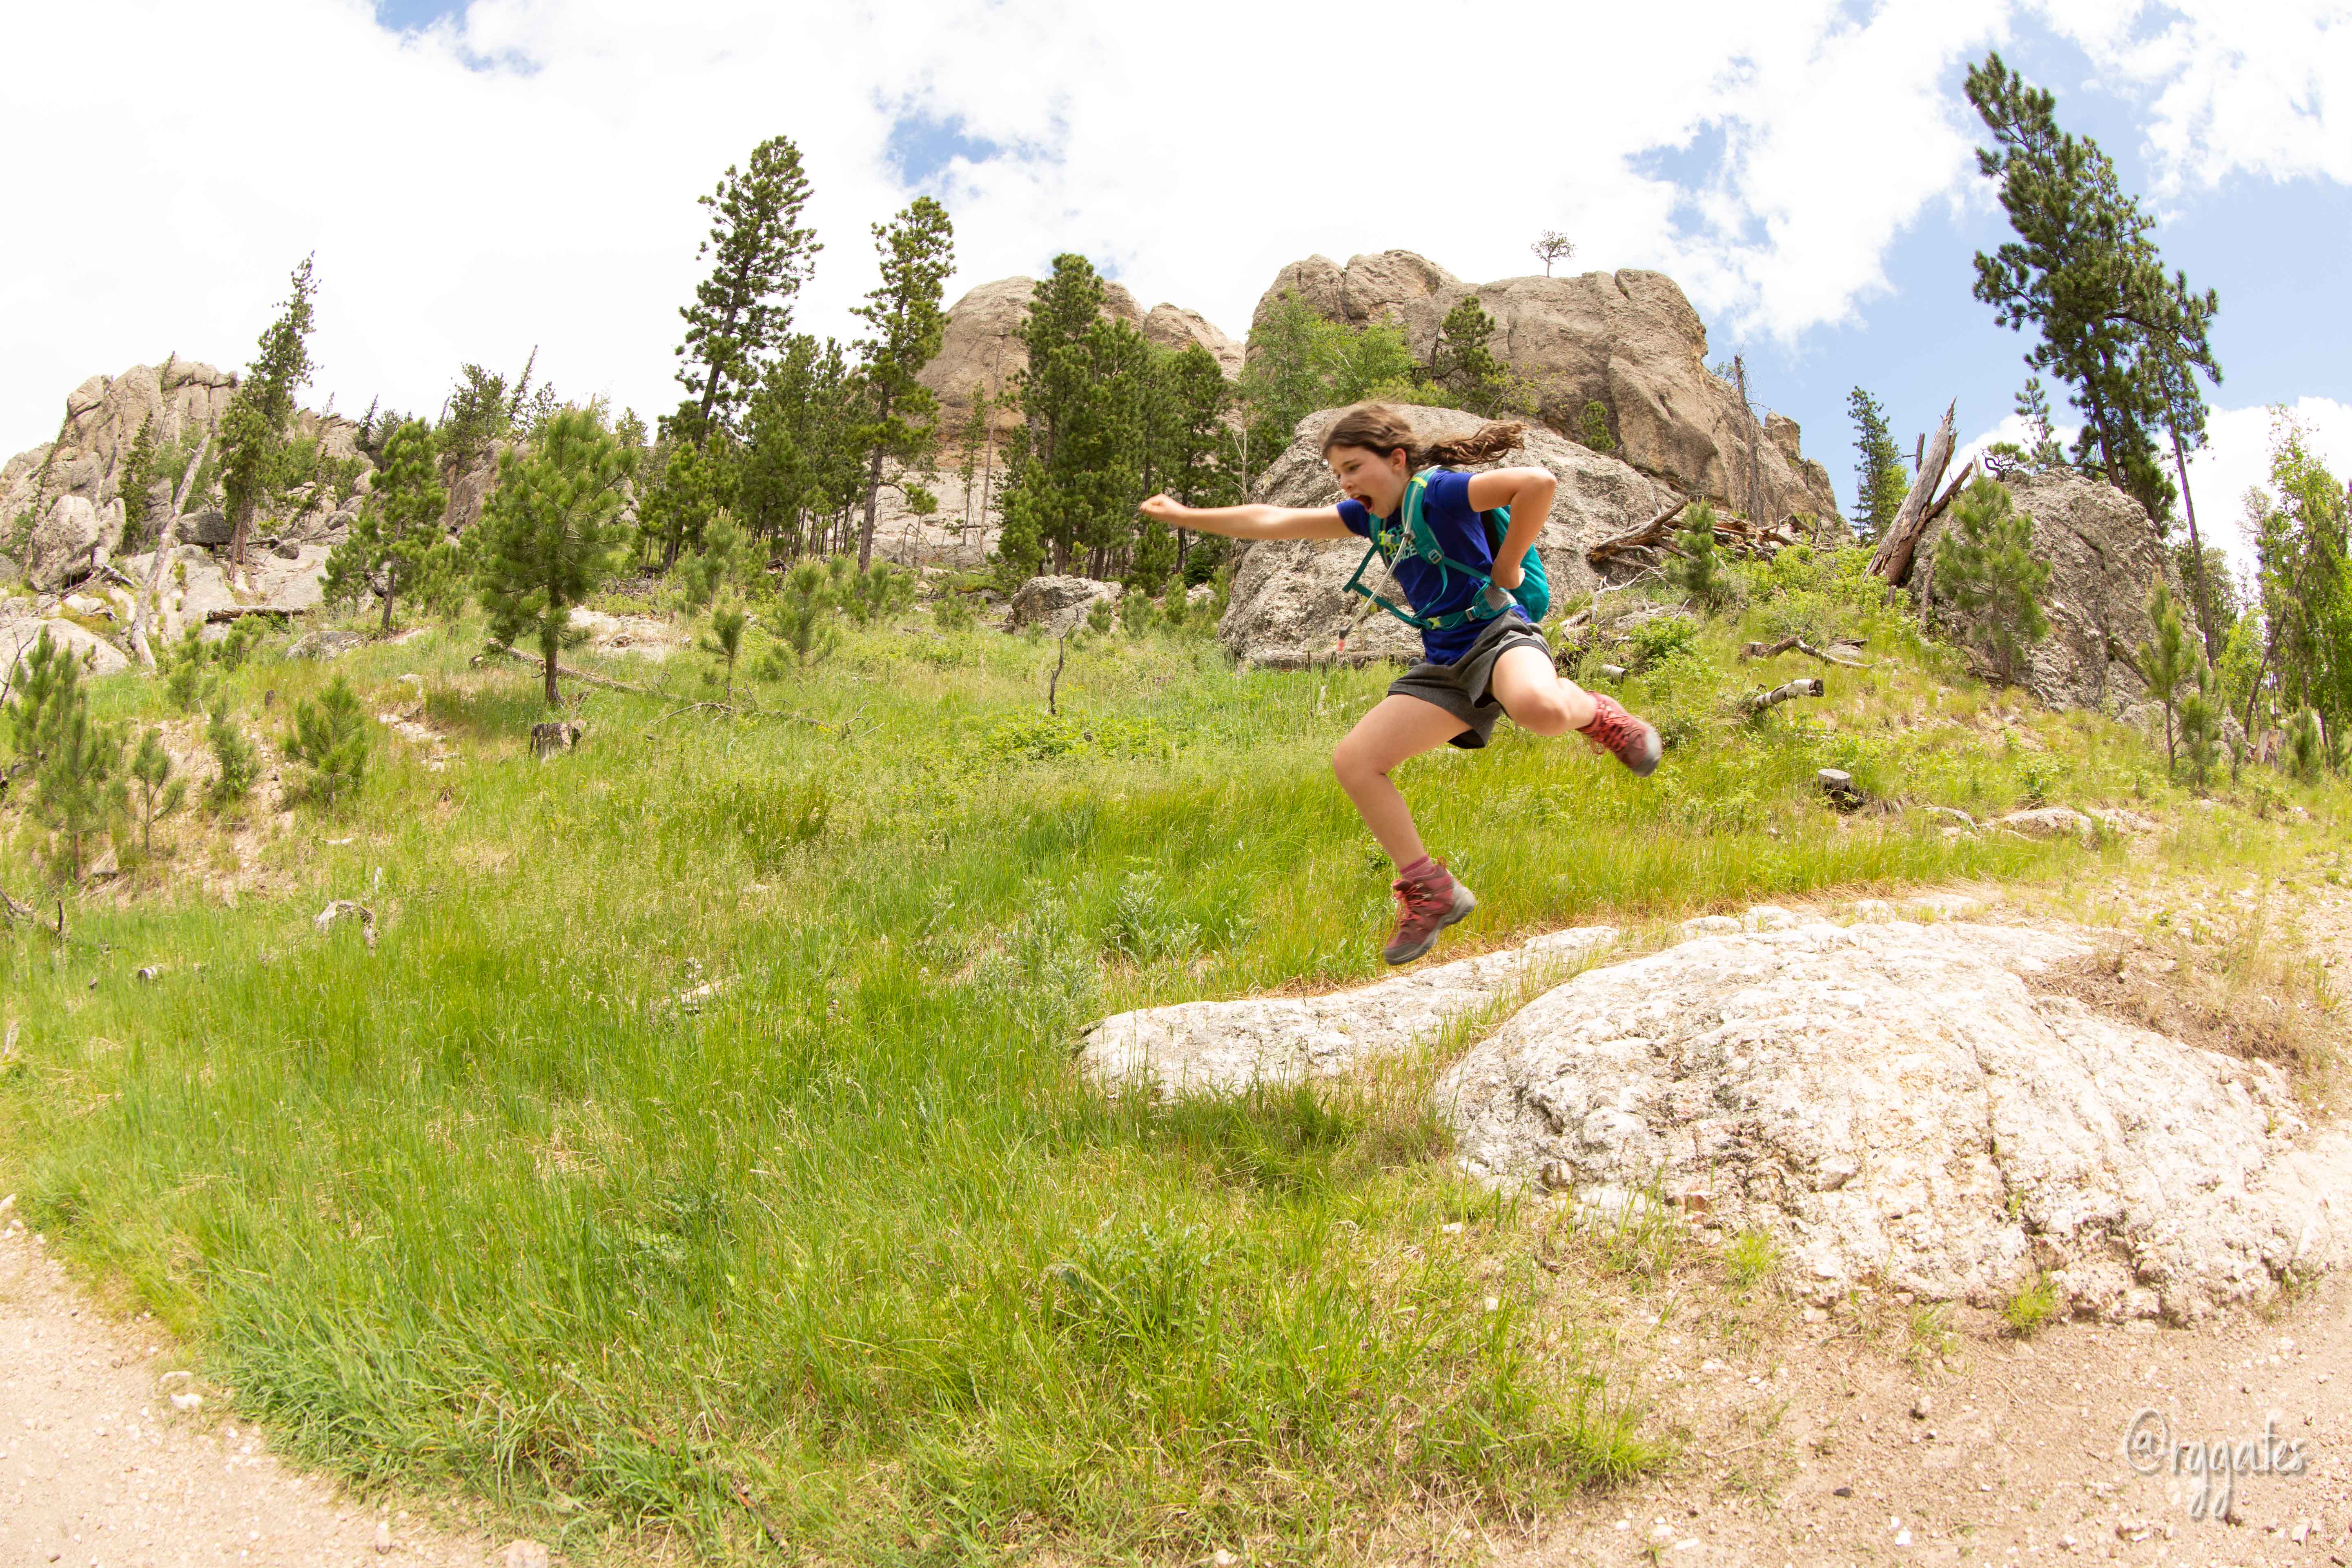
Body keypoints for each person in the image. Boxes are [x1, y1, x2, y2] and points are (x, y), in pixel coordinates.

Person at [1138, 403, 1662, 965]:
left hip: (1497, 633)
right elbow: (1272, 520)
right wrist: (1188, 515)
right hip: (1445, 659)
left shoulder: (1439, 493)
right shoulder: (1369, 518)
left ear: (1396, 459)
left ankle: (1598, 713)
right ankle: (1430, 889)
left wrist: (1508, 567)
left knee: (1539, 708)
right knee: (1355, 762)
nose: (1345, 483)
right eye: (1337, 473)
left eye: (1353, 468)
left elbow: (1537, 483)